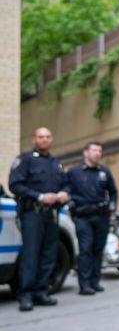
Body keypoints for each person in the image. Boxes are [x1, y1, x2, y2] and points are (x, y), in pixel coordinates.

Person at [8, 127, 69, 312]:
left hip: (51, 215)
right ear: (34, 139)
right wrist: (40, 197)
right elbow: (15, 185)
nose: (44, 140)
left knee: (49, 254)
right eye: (41, 137)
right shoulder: (25, 160)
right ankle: (25, 294)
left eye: (48, 137)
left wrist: (65, 193)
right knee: (31, 255)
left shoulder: (55, 163)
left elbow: (66, 183)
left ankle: (41, 291)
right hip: (32, 213)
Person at [66, 141, 118, 295]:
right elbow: (65, 189)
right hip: (82, 217)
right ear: (85, 153)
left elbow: (113, 192)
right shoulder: (74, 172)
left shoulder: (104, 172)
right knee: (85, 249)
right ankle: (85, 284)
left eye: (100, 151)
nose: (98, 153)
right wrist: (70, 205)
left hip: (101, 216)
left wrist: (112, 206)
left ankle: (95, 281)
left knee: (98, 249)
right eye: (95, 150)